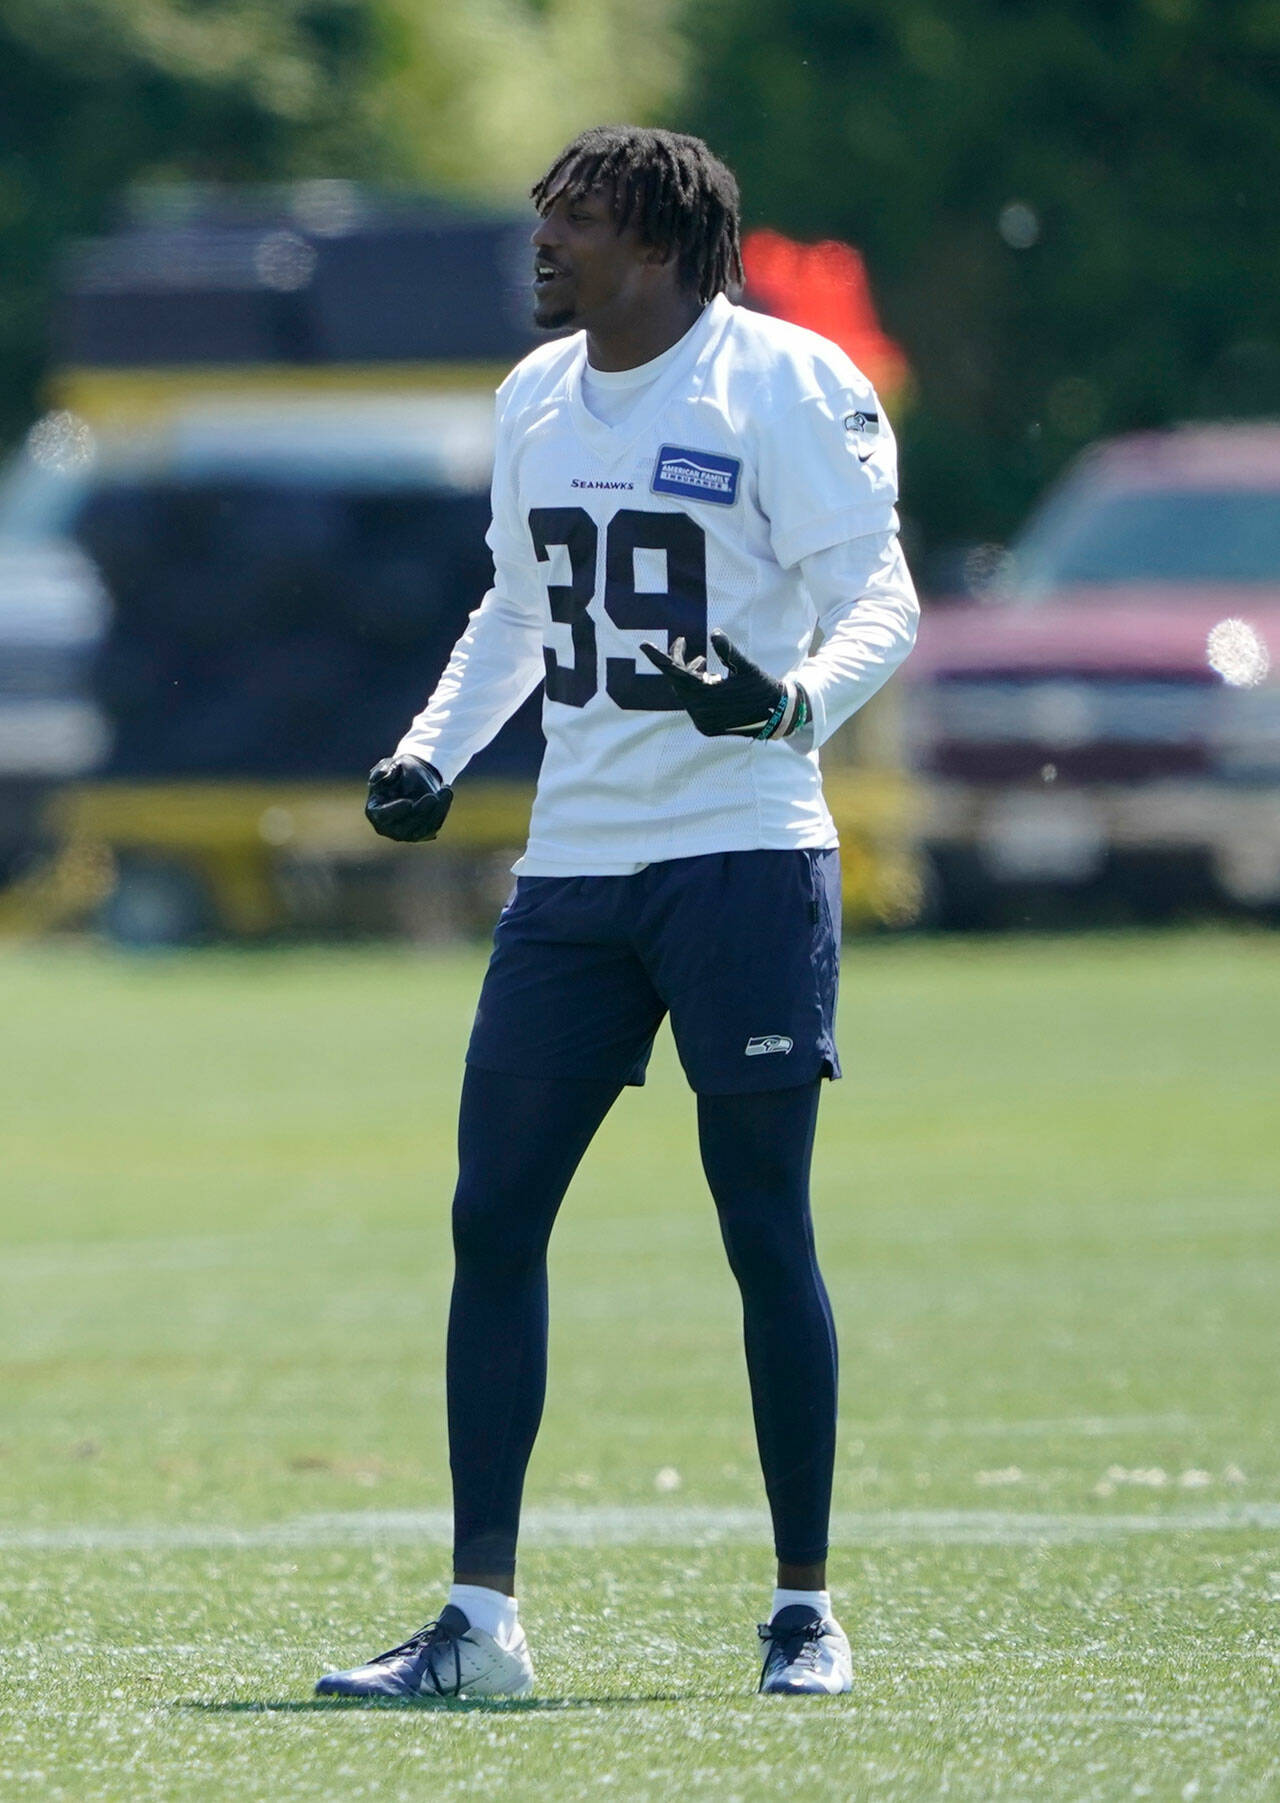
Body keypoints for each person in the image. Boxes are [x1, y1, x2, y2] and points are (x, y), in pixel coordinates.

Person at [316, 125, 918, 1702]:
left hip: (739, 855)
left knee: (760, 1227)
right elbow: (520, 605)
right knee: (491, 1217)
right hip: (578, 868)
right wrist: (432, 752)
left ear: (656, 241)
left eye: (571, 222)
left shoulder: (779, 383)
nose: (543, 246)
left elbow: (883, 595)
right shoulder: (532, 396)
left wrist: (787, 705)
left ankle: (804, 1608)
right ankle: (480, 1623)